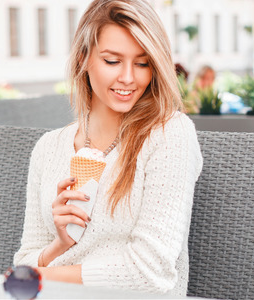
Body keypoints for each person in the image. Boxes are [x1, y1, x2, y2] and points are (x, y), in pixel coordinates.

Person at [13, 0, 203, 295]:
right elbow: (25, 261)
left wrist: (39, 276)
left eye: (142, 63)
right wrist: (61, 244)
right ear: (82, 59)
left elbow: (150, 272)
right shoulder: (48, 149)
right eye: (112, 61)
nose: (128, 77)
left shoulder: (170, 135)